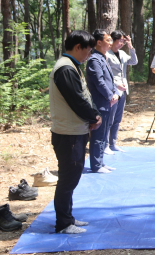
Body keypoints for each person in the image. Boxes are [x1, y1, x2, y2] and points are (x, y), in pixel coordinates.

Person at [49, 30, 102, 233]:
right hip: (67, 132)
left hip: (75, 130)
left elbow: (84, 95)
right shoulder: (65, 68)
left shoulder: (73, 66)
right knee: (68, 177)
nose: (89, 55)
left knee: (73, 175)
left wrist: (94, 114)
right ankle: (63, 223)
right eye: (88, 51)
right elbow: (76, 100)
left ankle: (68, 217)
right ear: (77, 47)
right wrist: (93, 117)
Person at [86, 29, 120, 174]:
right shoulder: (94, 59)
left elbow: (108, 80)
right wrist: (109, 95)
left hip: (107, 102)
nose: (111, 43)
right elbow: (99, 81)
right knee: (98, 135)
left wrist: (115, 92)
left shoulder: (102, 57)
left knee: (104, 133)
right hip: (100, 102)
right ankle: (96, 164)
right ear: (99, 42)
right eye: (108, 40)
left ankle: (100, 162)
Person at [105, 30, 138, 153]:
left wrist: (131, 47)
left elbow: (134, 62)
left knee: (117, 119)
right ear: (113, 40)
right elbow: (105, 74)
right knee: (110, 118)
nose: (121, 43)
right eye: (120, 41)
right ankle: (105, 145)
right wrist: (116, 84)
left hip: (123, 90)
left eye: (123, 41)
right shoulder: (106, 55)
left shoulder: (123, 54)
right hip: (112, 90)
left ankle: (113, 143)